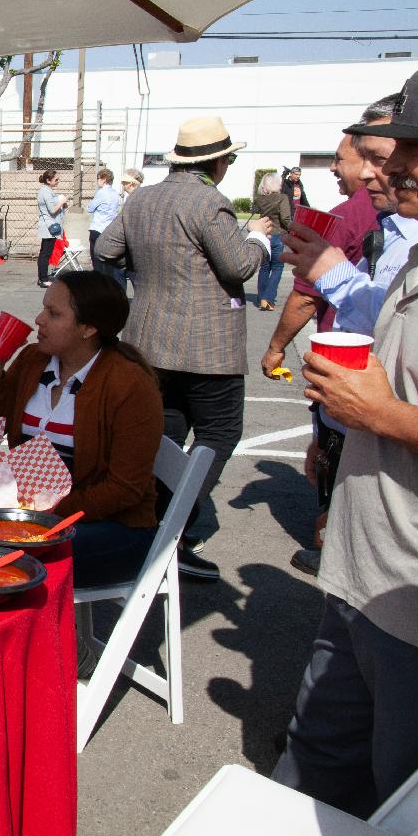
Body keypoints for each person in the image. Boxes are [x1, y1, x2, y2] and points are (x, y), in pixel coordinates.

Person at [271, 58, 418, 817]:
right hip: (358, 571)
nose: (396, 165)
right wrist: (346, 446)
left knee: (406, 800)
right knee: (312, 773)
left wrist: (382, 417)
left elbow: (393, 404)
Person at [95, 115, 272, 582]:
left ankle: (151, 524)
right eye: (229, 159)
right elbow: (237, 269)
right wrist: (259, 241)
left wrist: (146, 272)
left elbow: (106, 251)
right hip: (206, 345)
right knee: (218, 434)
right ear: (217, 161)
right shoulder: (210, 203)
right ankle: (171, 529)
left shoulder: (143, 197)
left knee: (165, 437)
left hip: (149, 338)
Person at [280, 94, 418, 575]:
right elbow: (381, 316)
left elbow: (391, 329)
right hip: (358, 428)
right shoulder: (397, 235)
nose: (365, 175)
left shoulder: (403, 234)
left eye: (379, 159)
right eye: (359, 159)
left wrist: (331, 277)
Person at [0, 271, 163, 590]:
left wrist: (43, 514)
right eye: (44, 308)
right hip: (35, 515)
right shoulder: (34, 360)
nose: (39, 319)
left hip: (112, 527)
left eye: (54, 313)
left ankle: (29, 638)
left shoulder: (129, 385)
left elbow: (125, 489)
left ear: (88, 328)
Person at [254, 169, 292, 311]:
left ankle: (261, 298)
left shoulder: (261, 199)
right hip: (278, 235)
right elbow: (285, 218)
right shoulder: (282, 198)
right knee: (277, 267)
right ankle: (268, 298)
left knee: (264, 267)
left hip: (265, 235)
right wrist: (293, 229)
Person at [86, 168, 122, 282]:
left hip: (97, 228)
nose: (97, 181)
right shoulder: (116, 194)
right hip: (109, 229)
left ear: (104, 179)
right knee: (107, 258)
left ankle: (99, 283)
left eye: (98, 179)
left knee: (96, 258)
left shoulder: (101, 193)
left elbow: (90, 208)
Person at [36, 169, 68, 288]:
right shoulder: (46, 192)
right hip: (49, 227)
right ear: (48, 181)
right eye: (56, 179)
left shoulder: (47, 190)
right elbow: (52, 210)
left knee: (45, 252)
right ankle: (43, 279)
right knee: (45, 253)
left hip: (49, 226)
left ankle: (43, 277)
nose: (58, 181)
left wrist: (62, 203)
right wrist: (62, 201)